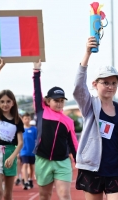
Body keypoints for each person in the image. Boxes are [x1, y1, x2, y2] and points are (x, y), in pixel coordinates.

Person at [73, 37, 118, 200]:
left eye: (114, 83)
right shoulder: (89, 106)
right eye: (106, 82)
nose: (110, 86)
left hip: (115, 169)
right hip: (92, 168)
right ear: (95, 84)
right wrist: (87, 53)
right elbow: (79, 86)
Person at [32, 60, 78, 200]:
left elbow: (73, 143)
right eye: (56, 100)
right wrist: (36, 72)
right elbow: (37, 91)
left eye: (61, 100)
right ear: (48, 101)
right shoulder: (41, 111)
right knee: (44, 196)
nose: (59, 103)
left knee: (64, 195)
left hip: (62, 162)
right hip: (43, 160)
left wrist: (79, 162)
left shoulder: (68, 121)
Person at [0, 59, 24, 200]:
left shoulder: (17, 119)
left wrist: (12, 156)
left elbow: (20, 142)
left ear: (13, 102)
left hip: (10, 152)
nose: (5, 104)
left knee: (8, 193)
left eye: (8, 101)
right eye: (2, 101)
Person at [20, 112, 37, 190]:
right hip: (23, 151)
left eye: (28, 119)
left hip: (32, 151)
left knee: (32, 166)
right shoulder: (20, 129)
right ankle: (25, 181)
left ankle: (30, 179)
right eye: (25, 119)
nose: (27, 120)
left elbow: (36, 140)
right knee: (25, 164)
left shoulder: (34, 129)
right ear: (22, 120)